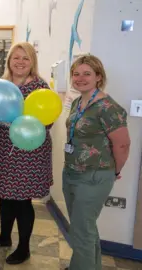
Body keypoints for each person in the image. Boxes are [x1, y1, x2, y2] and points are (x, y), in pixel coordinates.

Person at [0, 42, 53, 265]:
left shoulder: (41, 88)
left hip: (30, 152)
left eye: (25, 58)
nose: (20, 62)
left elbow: (47, 122)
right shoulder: (1, 85)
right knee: (4, 196)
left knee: (22, 201)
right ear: (9, 61)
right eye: (16, 57)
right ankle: (4, 237)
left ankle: (24, 248)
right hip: (4, 149)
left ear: (32, 62)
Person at [63, 55, 130, 270]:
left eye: (87, 74)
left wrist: (115, 170)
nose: (80, 78)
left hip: (93, 176)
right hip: (72, 173)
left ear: (98, 77)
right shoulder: (77, 102)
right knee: (84, 228)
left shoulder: (108, 107)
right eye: (76, 74)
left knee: (82, 231)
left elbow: (122, 145)